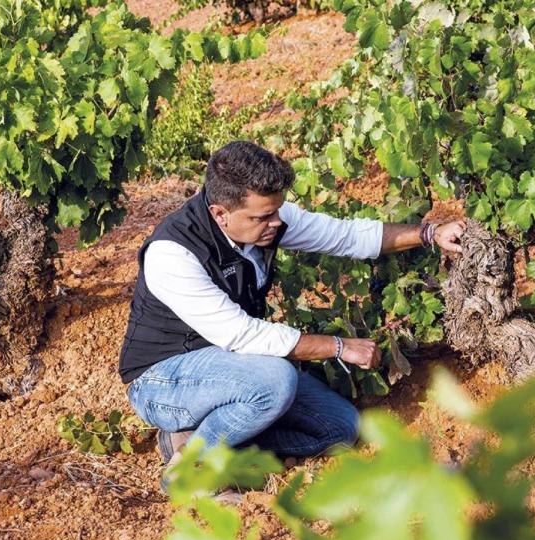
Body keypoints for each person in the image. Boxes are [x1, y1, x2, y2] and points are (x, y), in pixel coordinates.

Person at [118, 141, 465, 495]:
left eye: (277, 211)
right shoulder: (172, 253)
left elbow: (347, 236)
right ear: (221, 214)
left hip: (238, 370)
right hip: (165, 382)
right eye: (263, 217)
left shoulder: (267, 220)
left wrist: (429, 233)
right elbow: (241, 335)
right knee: (276, 381)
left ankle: (197, 438)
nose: (277, 223)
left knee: (339, 428)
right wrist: (338, 346)